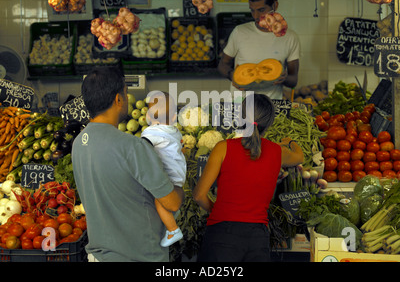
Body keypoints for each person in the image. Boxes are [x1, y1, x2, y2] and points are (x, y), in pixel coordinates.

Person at [71, 68, 184, 262]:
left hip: (99, 256)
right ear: (118, 100)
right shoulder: (133, 147)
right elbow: (172, 202)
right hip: (138, 256)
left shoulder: (79, 143)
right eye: (125, 92)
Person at [193, 93, 304, 262]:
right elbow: (300, 157)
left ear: (240, 117)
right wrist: (290, 142)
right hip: (257, 239)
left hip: (222, 234)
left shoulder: (223, 148)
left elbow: (198, 195)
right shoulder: (278, 152)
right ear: (269, 122)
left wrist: (218, 211)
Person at [218, 0, 301, 100]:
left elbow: (293, 80)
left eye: (261, 10)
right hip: (240, 104)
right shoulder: (239, 32)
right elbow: (222, 64)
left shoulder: (290, 37)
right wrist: (232, 75)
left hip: (271, 107)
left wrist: (284, 78)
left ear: (275, 5)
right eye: (252, 10)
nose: (256, 16)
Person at [141, 91, 186, 247]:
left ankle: (173, 230)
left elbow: (142, 151)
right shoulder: (174, 130)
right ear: (174, 118)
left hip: (168, 176)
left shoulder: (150, 133)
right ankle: (173, 214)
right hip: (179, 174)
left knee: (159, 200)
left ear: (147, 116)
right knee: (168, 200)